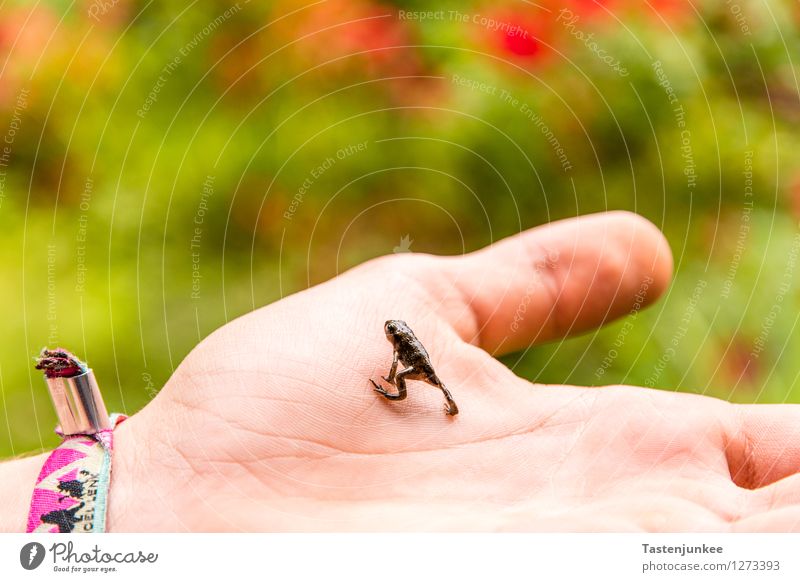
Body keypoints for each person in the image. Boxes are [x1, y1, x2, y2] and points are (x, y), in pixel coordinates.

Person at [2, 211, 799, 531]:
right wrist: (156, 488)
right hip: (415, 378)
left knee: (427, 386)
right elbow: (398, 353)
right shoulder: (397, 347)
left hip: (423, 378)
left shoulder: (409, 351)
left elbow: (405, 356)